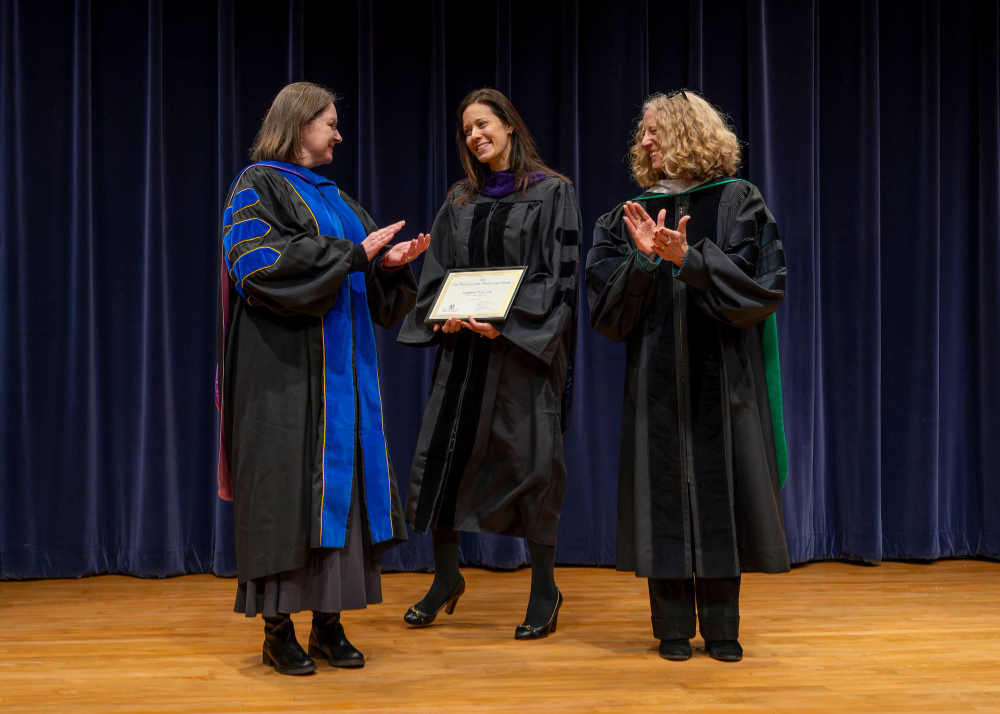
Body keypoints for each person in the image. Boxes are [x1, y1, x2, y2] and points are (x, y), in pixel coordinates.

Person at [215, 82, 430, 675]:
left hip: (345, 386)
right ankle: (277, 630)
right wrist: (354, 256)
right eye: (329, 123)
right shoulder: (256, 187)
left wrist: (387, 267)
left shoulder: (337, 197)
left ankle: (328, 625)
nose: (338, 135)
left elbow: (368, 282)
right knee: (286, 497)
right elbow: (257, 267)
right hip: (283, 376)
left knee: (343, 496)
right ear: (297, 123)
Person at [585, 90, 789, 662]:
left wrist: (689, 260)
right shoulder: (625, 217)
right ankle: (672, 627)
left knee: (722, 494)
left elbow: (764, 289)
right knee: (663, 495)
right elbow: (607, 312)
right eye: (643, 131)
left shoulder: (738, 202)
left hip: (722, 379)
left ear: (689, 133)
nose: (644, 140)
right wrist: (646, 260)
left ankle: (724, 627)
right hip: (654, 381)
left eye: (655, 130)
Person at [397, 88, 581, 640]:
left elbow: (560, 278)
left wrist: (508, 322)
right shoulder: (460, 199)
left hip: (522, 353)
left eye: (484, 125)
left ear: (509, 126)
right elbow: (439, 274)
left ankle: (545, 590)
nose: (476, 136)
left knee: (533, 466)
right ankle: (447, 577)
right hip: (465, 356)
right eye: (468, 130)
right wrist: (442, 316)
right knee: (445, 462)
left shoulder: (553, 193)